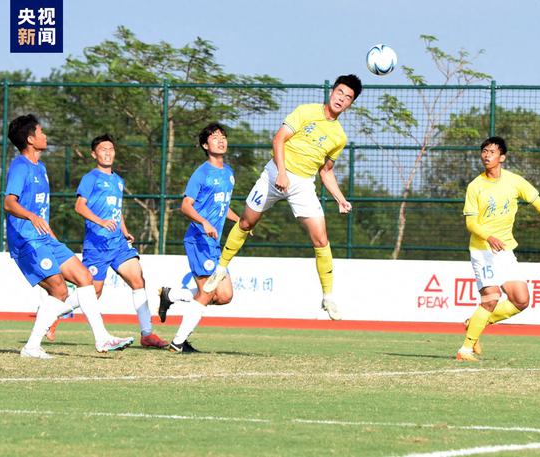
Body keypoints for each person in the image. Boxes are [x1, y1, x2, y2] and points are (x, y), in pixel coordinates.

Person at [201, 74, 363, 320]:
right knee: (246, 222)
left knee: (321, 238)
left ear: (351, 103)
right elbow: (278, 139)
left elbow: (326, 171)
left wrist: (340, 198)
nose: (342, 98)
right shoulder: (306, 111)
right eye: (340, 92)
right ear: (332, 91)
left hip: (303, 184)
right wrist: (283, 174)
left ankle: (328, 296)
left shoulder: (339, 137)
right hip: (275, 172)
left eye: (348, 97)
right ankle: (221, 269)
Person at [4, 114, 134, 359]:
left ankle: (102, 339)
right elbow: (9, 203)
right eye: (41, 132)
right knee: (59, 290)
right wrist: (31, 217)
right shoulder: (20, 166)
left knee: (84, 277)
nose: (45, 135)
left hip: (45, 239)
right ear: (31, 139)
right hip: (26, 240)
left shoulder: (40, 167)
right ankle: (32, 346)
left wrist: (50, 234)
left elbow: (40, 211)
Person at [456, 136, 540, 362]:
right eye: (484, 151)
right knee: (491, 298)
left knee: (521, 300)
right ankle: (465, 350)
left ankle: (475, 323)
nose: (486, 155)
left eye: (491, 151)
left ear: (502, 157)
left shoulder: (514, 181)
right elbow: (470, 223)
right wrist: (489, 236)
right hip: (482, 250)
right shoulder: (475, 186)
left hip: (505, 251)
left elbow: (539, 204)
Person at [48, 134, 169, 348]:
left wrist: (125, 230)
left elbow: (117, 211)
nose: (107, 152)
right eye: (103, 149)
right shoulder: (90, 178)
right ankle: (52, 316)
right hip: (97, 246)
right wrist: (100, 222)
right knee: (93, 292)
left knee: (138, 280)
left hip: (118, 245)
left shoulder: (118, 180)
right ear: (94, 154)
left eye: (111, 149)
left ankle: (147, 334)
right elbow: (79, 206)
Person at [158, 122, 238, 353]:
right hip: (198, 240)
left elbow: (222, 207)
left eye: (223, 136)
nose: (220, 140)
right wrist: (204, 222)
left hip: (214, 243)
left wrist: (241, 222)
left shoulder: (229, 173)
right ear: (205, 145)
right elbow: (186, 205)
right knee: (207, 292)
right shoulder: (201, 173)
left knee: (225, 296)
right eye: (214, 137)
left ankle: (170, 295)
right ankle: (178, 343)